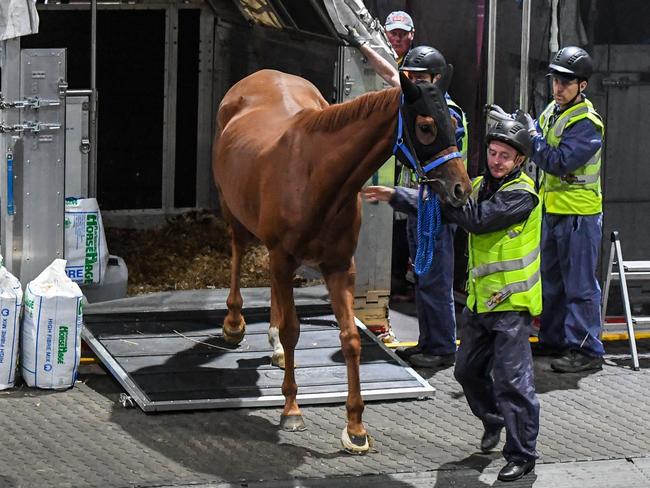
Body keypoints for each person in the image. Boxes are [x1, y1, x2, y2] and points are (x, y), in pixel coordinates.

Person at [359, 45, 469, 368]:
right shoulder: (417, 102)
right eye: (412, 77)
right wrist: (364, 48)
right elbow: (391, 75)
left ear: (437, 79)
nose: (414, 82)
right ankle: (428, 341)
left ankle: (443, 347)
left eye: (422, 77)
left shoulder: (446, 112)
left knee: (435, 280)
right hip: (418, 201)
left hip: (437, 203)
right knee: (421, 278)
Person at [444, 119, 541, 482]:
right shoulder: (481, 185)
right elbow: (453, 205)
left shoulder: (523, 194)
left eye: (506, 156)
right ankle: (495, 419)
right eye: (493, 153)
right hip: (481, 302)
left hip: (511, 306)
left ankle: (522, 454)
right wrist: (399, 196)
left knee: (513, 382)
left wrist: (444, 195)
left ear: (519, 161)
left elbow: (478, 220)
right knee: (466, 371)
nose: (497, 160)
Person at [518, 46, 605, 373]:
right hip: (552, 211)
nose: (558, 87)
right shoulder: (552, 112)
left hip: (579, 215)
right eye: (556, 80)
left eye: (566, 82)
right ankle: (552, 340)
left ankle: (586, 351)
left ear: (582, 85)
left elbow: (557, 161)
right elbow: (542, 147)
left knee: (580, 285)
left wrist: (530, 138)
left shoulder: (586, 122)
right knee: (551, 282)